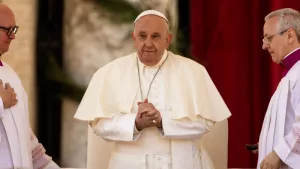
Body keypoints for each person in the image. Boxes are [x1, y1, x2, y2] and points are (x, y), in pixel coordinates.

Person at [74, 9, 231, 169]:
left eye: (155, 36)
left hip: (183, 163)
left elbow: (205, 123)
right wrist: (135, 123)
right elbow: (99, 126)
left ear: (168, 39)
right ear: (133, 38)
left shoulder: (193, 71)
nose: (148, 43)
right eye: (142, 36)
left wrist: (163, 121)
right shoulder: (110, 72)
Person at [0, 3, 60, 169]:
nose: (13, 37)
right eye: (7, 30)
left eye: (14, 30)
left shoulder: (9, 73)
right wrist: (1, 102)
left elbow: (23, 134)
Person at [258, 8, 300, 169]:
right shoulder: (292, 72)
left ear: (290, 35)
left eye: (268, 38)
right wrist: (268, 139)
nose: (264, 45)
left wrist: (278, 153)